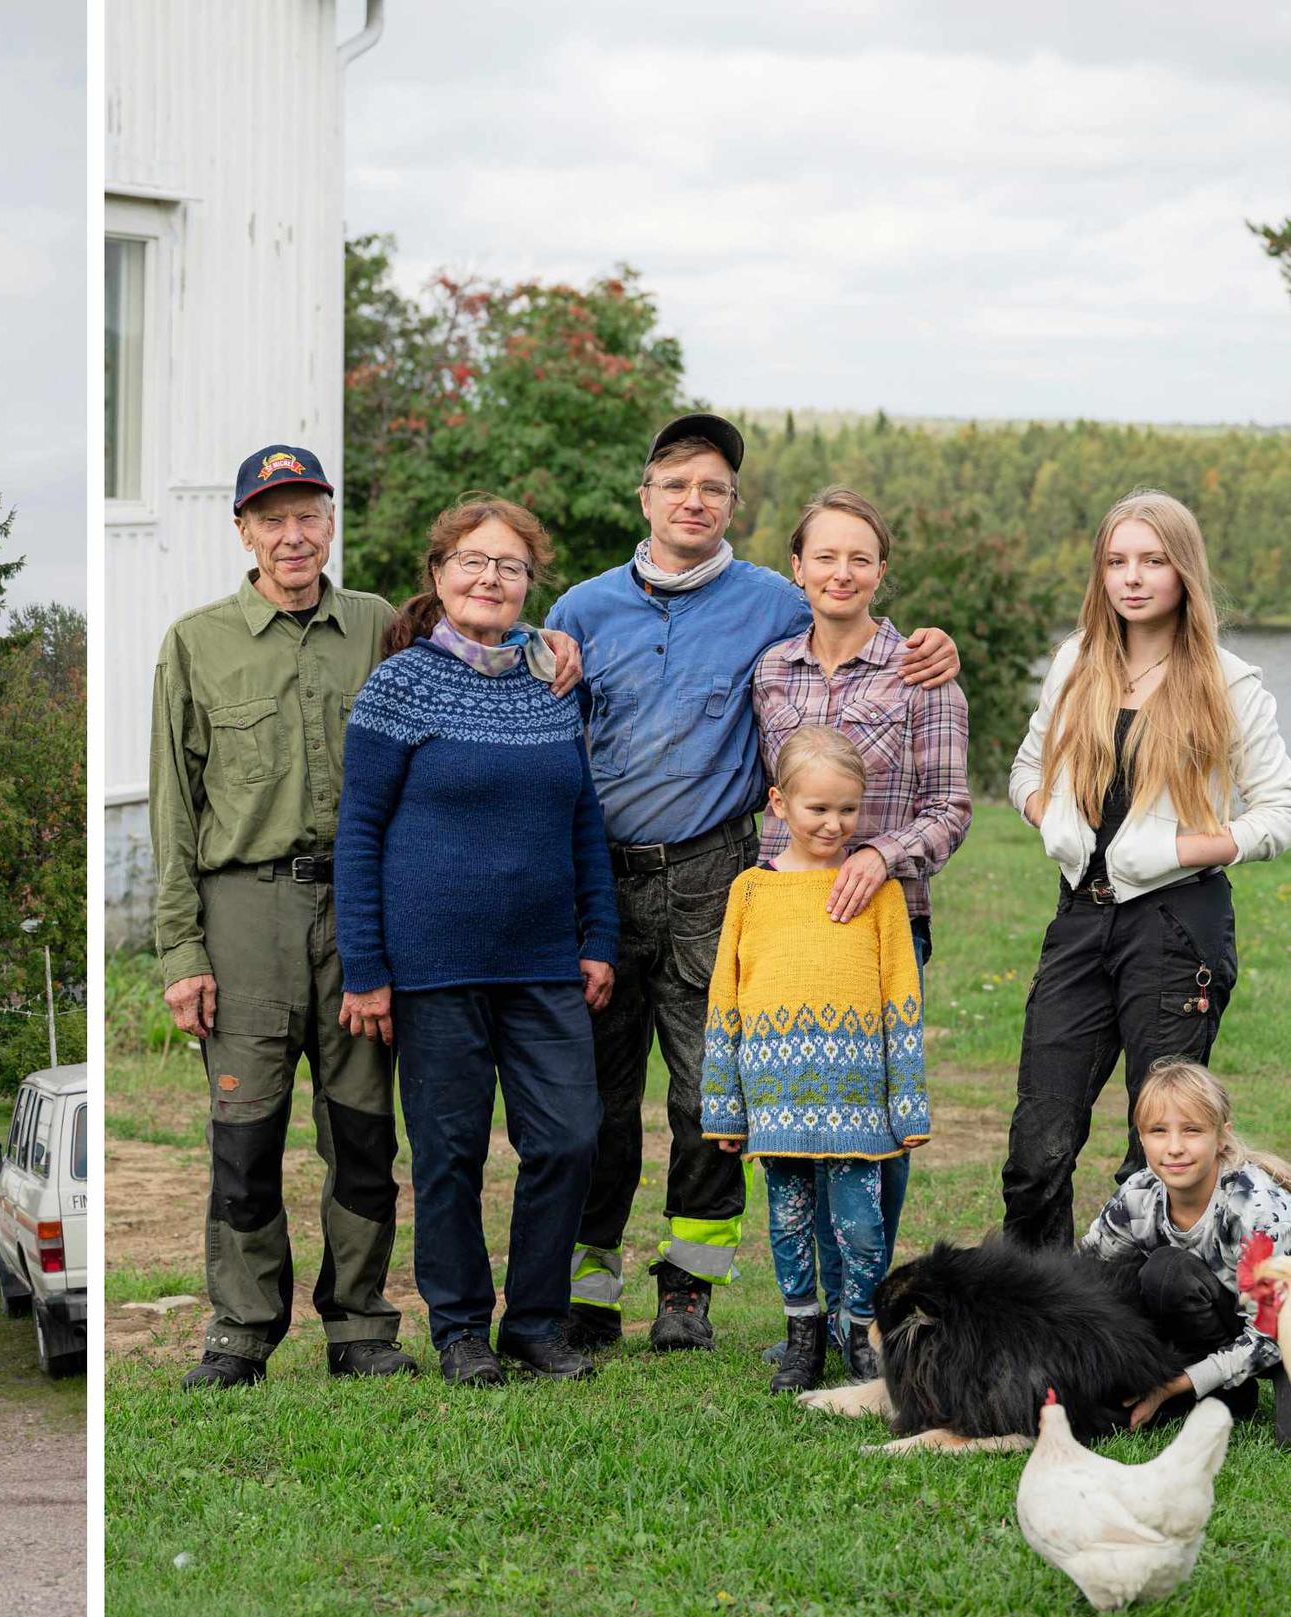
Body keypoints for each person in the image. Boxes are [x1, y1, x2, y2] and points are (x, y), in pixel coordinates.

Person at [150, 441, 582, 1388]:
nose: (292, 536)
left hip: (360, 911)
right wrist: (181, 950)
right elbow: (173, 805)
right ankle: (240, 1333)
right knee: (245, 1136)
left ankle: (359, 1327)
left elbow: (481, 633)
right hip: (245, 910)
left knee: (361, 1135)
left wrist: (550, 644)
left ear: (331, 524)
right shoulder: (195, 642)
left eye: (308, 516)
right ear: (243, 531)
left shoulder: (380, 626)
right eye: (272, 520)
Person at [544, 413, 959, 1354]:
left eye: (714, 488)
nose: (693, 501)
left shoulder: (772, 601)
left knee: (710, 1092)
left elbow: (855, 620)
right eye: (675, 484)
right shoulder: (580, 609)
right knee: (593, 1098)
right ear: (644, 497)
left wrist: (934, 647)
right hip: (600, 875)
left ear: (734, 504)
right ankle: (587, 1287)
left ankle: (687, 1290)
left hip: (714, 873)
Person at [333, 498, 617, 1388]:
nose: (490, 578)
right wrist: (365, 968)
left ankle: (533, 1325)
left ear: (531, 584)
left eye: (509, 566)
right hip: (432, 967)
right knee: (448, 1156)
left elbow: (582, 819)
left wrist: (599, 936)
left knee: (568, 1139)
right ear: (438, 574)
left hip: (543, 962)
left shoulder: (552, 681)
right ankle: (459, 1329)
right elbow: (358, 831)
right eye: (472, 561)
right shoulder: (398, 686)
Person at [1002, 490, 1291, 1249]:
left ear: (1183, 570)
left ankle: (1140, 1310)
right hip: (1080, 916)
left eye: (1152, 561)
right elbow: (1026, 768)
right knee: (1036, 1152)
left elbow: (1278, 812)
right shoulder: (1076, 662)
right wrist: (1052, 818)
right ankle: (1036, 1310)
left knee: (1156, 1157)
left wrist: (1177, 849)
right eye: (1116, 561)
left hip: (1175, 927)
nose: (1131, 579)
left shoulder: (1228, 682)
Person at [750, 487, 970, 1360]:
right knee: (796, 1116)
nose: (841, 573)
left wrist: (881, 855)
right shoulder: (771, 671)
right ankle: (805, 1318)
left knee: (872, 1124)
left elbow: (949, 807)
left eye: (860, 558)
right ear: (796, 567)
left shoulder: (920, 671)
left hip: (881, 922)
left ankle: (864, 1313)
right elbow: (767, 792)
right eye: (825, 557)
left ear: (881, 571)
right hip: (787, 926)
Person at [703, 728, 930, 1391]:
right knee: (789, 1221)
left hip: (856, 1100)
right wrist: (724, 1105)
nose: (834, 824)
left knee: (861, 1226)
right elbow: (724, 997)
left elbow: (900, 1000)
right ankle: (801, 1335)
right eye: (818, 809)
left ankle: (860, 1333)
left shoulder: (879, 893)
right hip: (775, 1096)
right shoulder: (750, 890)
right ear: (779, 804)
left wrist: (907, 1102)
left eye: (847, 809)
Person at [1079, 1059, 1291, 1428]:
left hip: (1281, 1330)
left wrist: (1171, 1386)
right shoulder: (1137, 1196)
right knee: (1165, 1273)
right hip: (1228, 1323)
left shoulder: (1254, 1208)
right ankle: (1227, 1393)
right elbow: (1084, 1276)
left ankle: (1199, 1384)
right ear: (1141, 1138)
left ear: (1221, 1136)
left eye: (1192, 1130)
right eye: (1158, 1131)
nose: (1174, 1147)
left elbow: (1271, 1334)